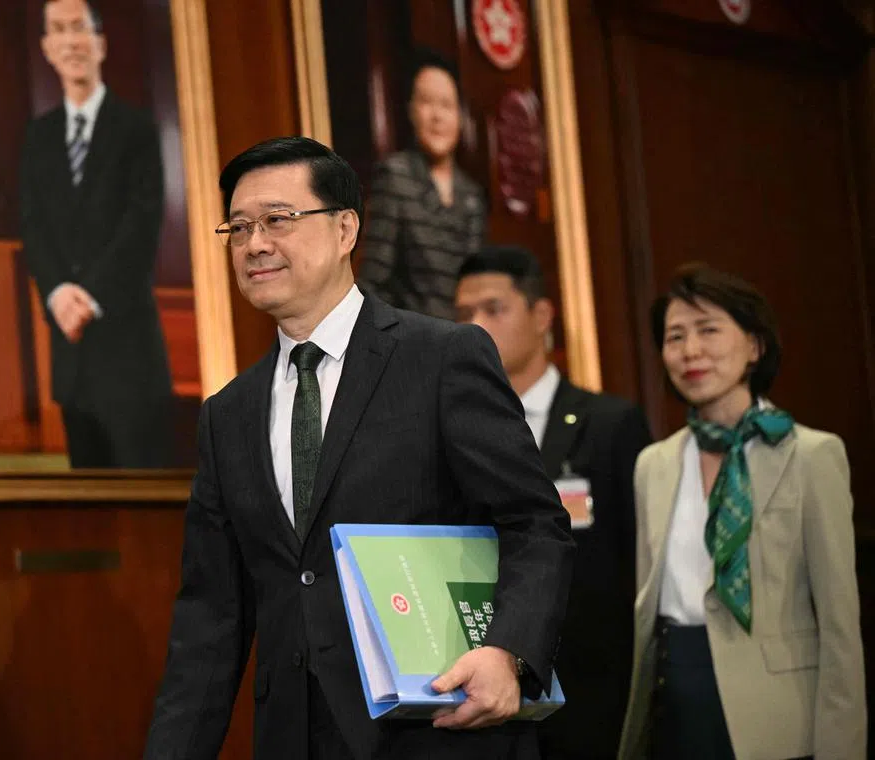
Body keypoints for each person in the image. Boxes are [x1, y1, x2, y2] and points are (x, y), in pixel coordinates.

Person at [144, 136, 574, 760]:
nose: (254, 244)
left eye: (277, 220)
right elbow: (211, 619)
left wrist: (508, 651)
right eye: (238, 228)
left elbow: (535, 523)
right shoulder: (227, 415)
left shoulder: (442, 359)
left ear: (345, 229)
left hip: (440, 729)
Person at [618, 264, 866, 760]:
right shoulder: (655, 464)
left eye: (709, 330)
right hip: (674, 700)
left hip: (774, 716)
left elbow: (841, 626)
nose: (691, 351)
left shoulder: (811, 455)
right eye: (675, 336)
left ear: (754, 346)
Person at [455, 244, 651, 760]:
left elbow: (640, 565)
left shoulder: (609, 425)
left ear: (542, 315)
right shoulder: (454, 433)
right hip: (488, 689)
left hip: (593, 691)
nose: (474, 326)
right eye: (463, 314)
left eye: (493, 309)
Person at [20, 0, 173, 468]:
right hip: (71, 352)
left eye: (80, 29)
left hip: (129, 349)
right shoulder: (38, 137)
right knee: (88, 492)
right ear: (47, 47)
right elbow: (34, 228)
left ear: (100, 43)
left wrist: (87, 297)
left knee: (142, 489)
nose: (70, 40)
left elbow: (142, 224)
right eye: (58, 30)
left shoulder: (137, 129)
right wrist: (59, 294)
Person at [357, 48, 487, 320]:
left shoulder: (472, 194)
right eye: (427, 102)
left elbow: (477, 286)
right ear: (411, 111)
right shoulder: (395, 176)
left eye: (447, 105)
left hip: (460, 343)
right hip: (411, 341)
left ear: (461, 117)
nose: (437, 116)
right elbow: (373, 282)